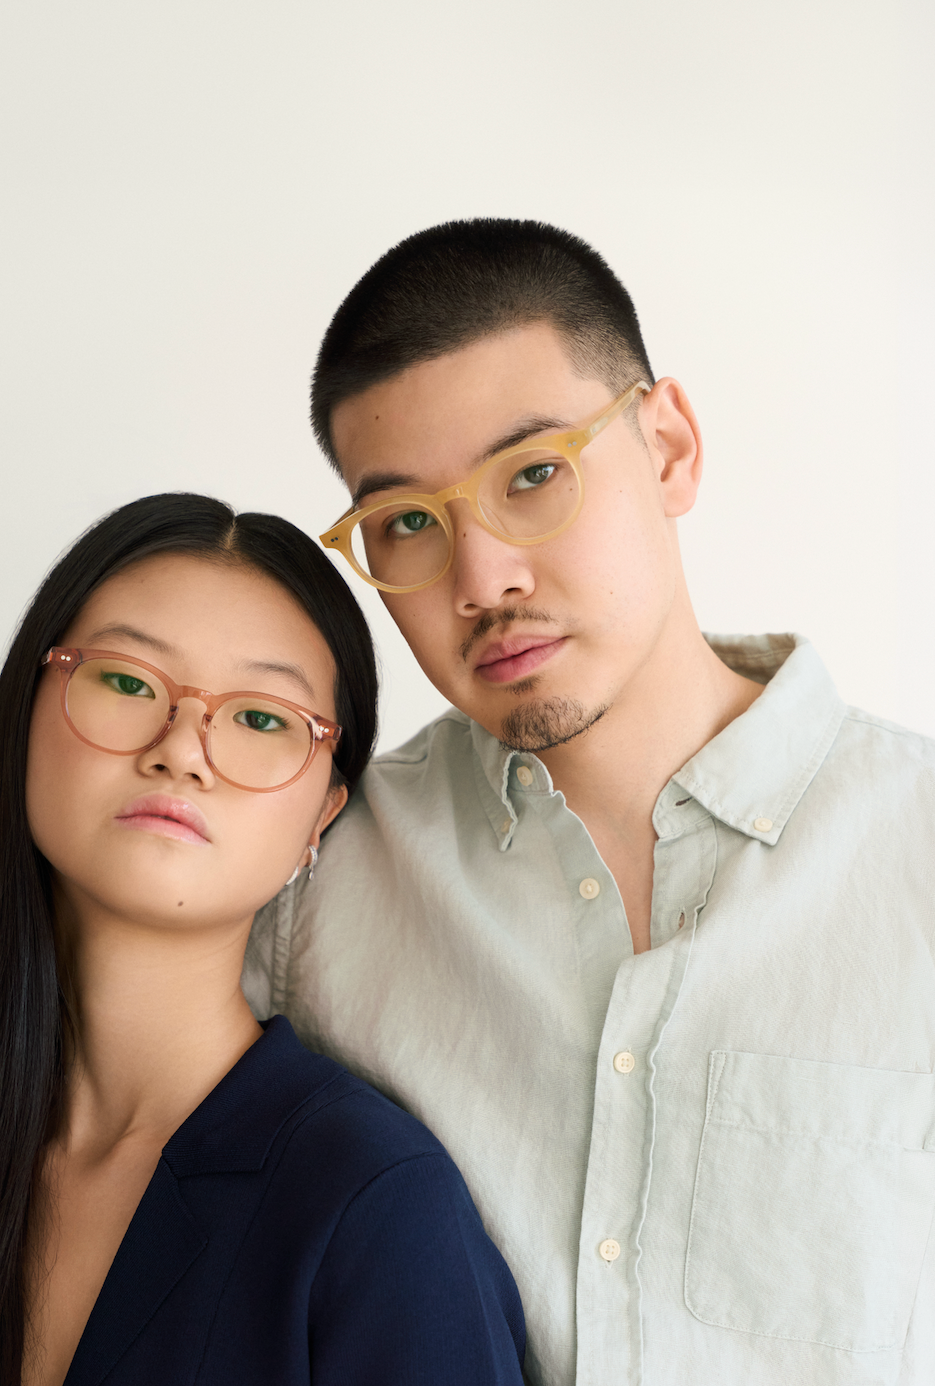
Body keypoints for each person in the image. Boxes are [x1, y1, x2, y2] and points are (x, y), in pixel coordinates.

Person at [245, 220, 935, 1386]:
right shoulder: (314, 879)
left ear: (668, 448)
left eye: (532, 475)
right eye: (406, 523)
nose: (482, 580)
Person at [0, 493, 526, 1386]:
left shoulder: (375, 1201)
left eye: (261, 718)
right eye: (129, 682)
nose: (181, 749)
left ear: (322, 817)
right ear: (24, 713)